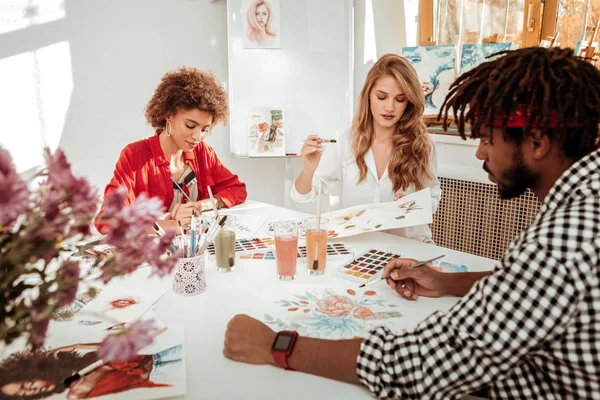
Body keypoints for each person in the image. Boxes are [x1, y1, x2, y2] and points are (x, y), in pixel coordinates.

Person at [224, 47, 600, 398]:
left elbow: (430, 360)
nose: (481, 152)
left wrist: (280, 344)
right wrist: (447, 280)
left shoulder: (563, 242)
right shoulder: (580, 211)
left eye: (486, 138)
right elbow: (527, 286)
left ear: (537, 142)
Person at [292, 53, 441, 243]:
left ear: (409, 102)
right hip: (358, 248)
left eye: (400, 99)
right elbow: (301, 196)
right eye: (382, 97)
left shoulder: (423, 146)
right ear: (369, 95)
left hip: (409, 249)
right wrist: (308, 169)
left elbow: (433, 197)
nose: (389, 107)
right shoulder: (345, 140)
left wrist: (411, 205)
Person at [94, 67, 247, 233]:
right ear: (168, 115)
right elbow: (107, 220)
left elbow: (237, 189)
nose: (198, 137)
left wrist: (201, 205)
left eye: (204, 129)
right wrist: (173, 226)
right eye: (190, 125)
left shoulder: (203, 153)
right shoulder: (135, 156)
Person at [0, 343, 183, 399]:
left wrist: (77, 345)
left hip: (159, 353)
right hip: (159, 375)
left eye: (28, 384)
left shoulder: (82, 361)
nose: (32, 390)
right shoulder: (76, 393)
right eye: (24, 394)